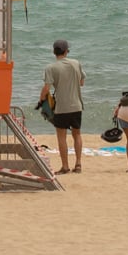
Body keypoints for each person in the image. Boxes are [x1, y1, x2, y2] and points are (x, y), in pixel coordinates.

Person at [38, 40, 86, 174]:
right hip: (76, 105)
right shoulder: (76, 63)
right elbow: (82, 82)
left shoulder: (50, 68)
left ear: (54, 52)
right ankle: (78, 164)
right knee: (77, 134)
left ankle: (65, 166)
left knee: (61, 136)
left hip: (61, 107)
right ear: (66, 51)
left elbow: (46, 88)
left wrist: (41, 100)